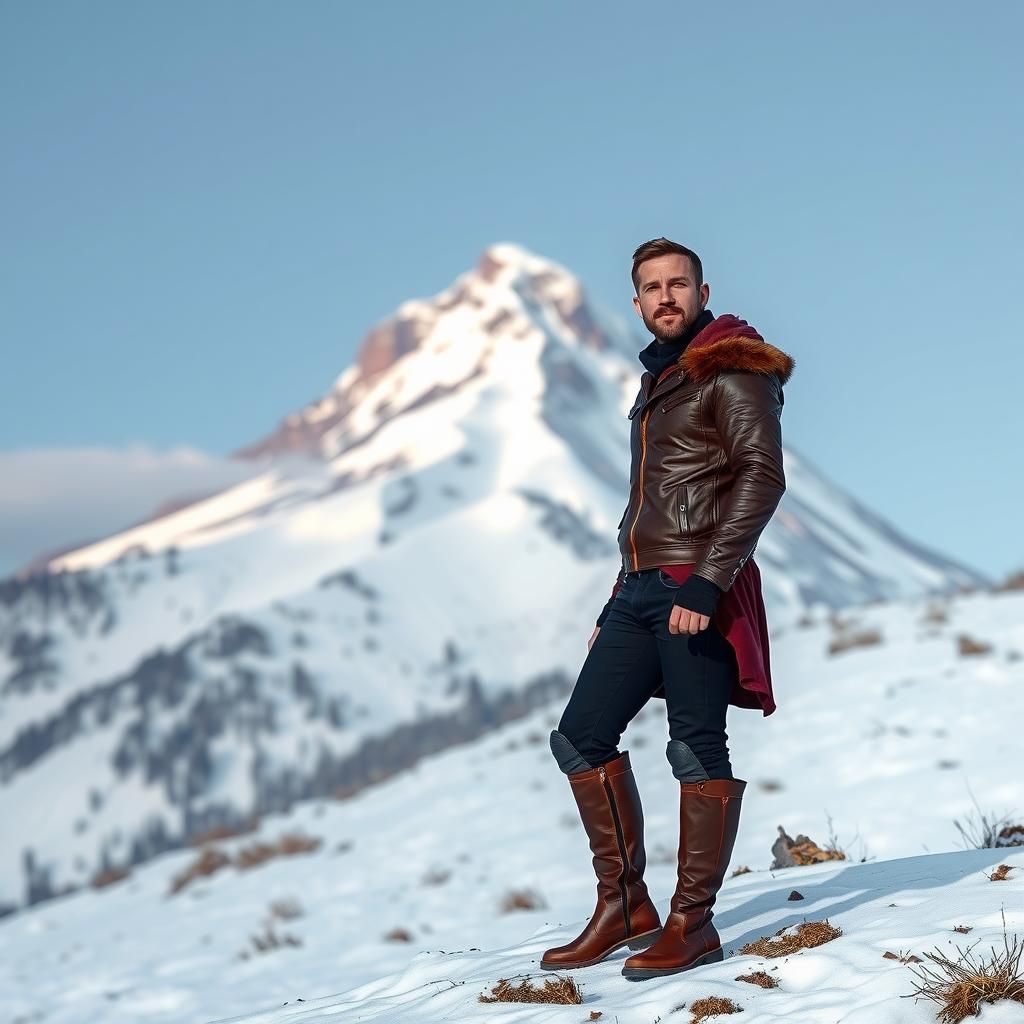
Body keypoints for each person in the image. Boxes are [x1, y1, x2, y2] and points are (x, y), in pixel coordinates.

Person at [541, 237, 795, 980]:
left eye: (677, 284)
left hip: (697, 587)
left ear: (702, 289)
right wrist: (621, 590)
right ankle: (623, 905)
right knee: (580, 738)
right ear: (637, 303)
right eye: (651, 288)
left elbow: (761, 476)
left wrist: (708, 582)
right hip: (640, 589)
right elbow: (650, 503)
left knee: (694, 747)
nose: (665, 298)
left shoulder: (731, 365)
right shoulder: (658, 383)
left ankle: (694, 923)